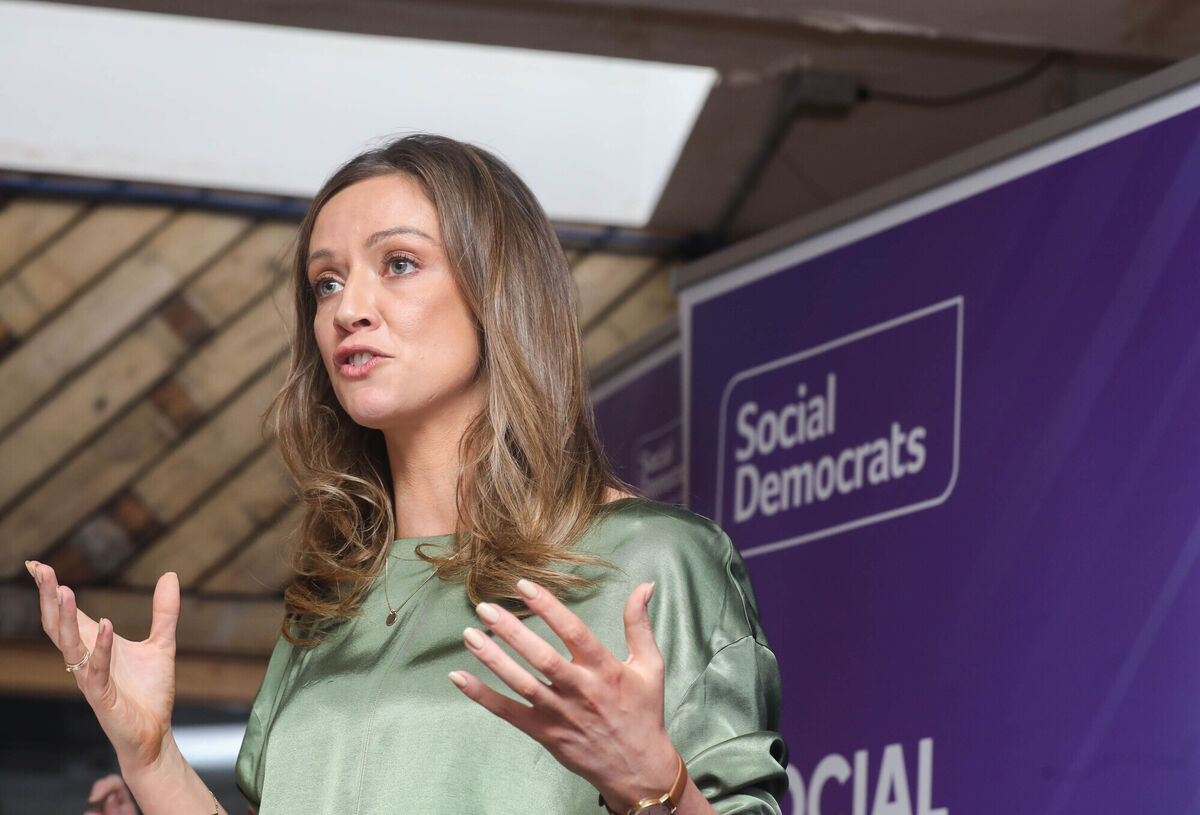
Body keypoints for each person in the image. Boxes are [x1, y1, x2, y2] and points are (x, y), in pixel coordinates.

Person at [26, 134, 787, 814]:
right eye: (326, 282)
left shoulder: (649, 559)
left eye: (398, 264)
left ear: (497, 293)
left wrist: (654, 784)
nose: (348, 307)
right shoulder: (331, 604)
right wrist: (152, 756)